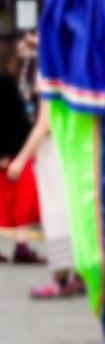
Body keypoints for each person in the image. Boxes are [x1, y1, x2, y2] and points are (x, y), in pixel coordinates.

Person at [7, 33, 83, 297]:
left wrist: (21, 158)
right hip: (75, 149)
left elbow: (44, 123)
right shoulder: (79, 66)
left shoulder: (50, 71)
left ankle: (61, 279)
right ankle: (80, 274)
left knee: (56, 213)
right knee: (75, 211)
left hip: (53, 152)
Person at [0, 32, 43, 264]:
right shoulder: (5, 81)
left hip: (14, 148)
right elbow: (9, 120)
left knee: (12, 200)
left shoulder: (11, 78)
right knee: (21, 199)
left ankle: (21, 245)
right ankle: (21, 245)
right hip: (13, 149)